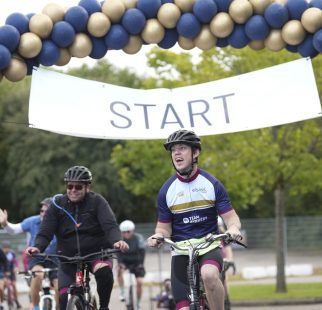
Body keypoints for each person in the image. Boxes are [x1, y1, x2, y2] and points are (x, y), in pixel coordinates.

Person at [148, 129, 243, 310]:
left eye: (182, 148)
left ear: (196, 152)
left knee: (209, 275)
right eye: (173, 150)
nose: (176, 153)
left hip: (208, 245)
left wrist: (233, 229)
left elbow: (232, 218)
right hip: (181, 251)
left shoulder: (211, 184)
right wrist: (158, 235)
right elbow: (163, 228)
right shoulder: (166, 190)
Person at [25, 165, 129, 310]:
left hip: (97, 253)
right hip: (68, 258)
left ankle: (104, 307)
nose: (73, 190)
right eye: (70, 186)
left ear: (87, 187)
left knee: (104, 271)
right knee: (63, 297)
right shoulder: (57, 206)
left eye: (78, 187)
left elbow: (110, 225)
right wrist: (37, 246)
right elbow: (45, 231)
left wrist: (117, 241)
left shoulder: (97, 201)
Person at [0, 198, 59, 310]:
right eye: (41, 211)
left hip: (55, 259)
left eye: (46, 211)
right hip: (37, 258)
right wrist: (5, 224)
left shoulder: (60, 222)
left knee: (58, 286)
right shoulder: (33, 221)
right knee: (38, 274)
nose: (43, 213)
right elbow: (14, 230)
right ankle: (36, 306)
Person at [117, 220, 146, 310]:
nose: (126, 234)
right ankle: (122, 292)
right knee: (118, 269)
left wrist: (141, 264)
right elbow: (118, 253)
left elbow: (142, 251)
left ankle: (138, 302)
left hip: (137, 263)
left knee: (140, 282)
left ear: (132, 230)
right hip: (125, 262)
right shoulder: (120, 240)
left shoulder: (138, 238)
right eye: (123, 232)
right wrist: (120, 263)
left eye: (128, 231)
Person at [2, 242, 22, 308]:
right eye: (5, 248)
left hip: (11, 271)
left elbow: (15, 261)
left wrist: (16, 267)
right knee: (3, 286)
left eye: (7, 248)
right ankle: (3, 298)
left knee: (14, 285)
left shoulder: (12, 253)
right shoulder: (1, 254)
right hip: (4, 272)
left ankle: (16, 300)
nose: (6, 250)